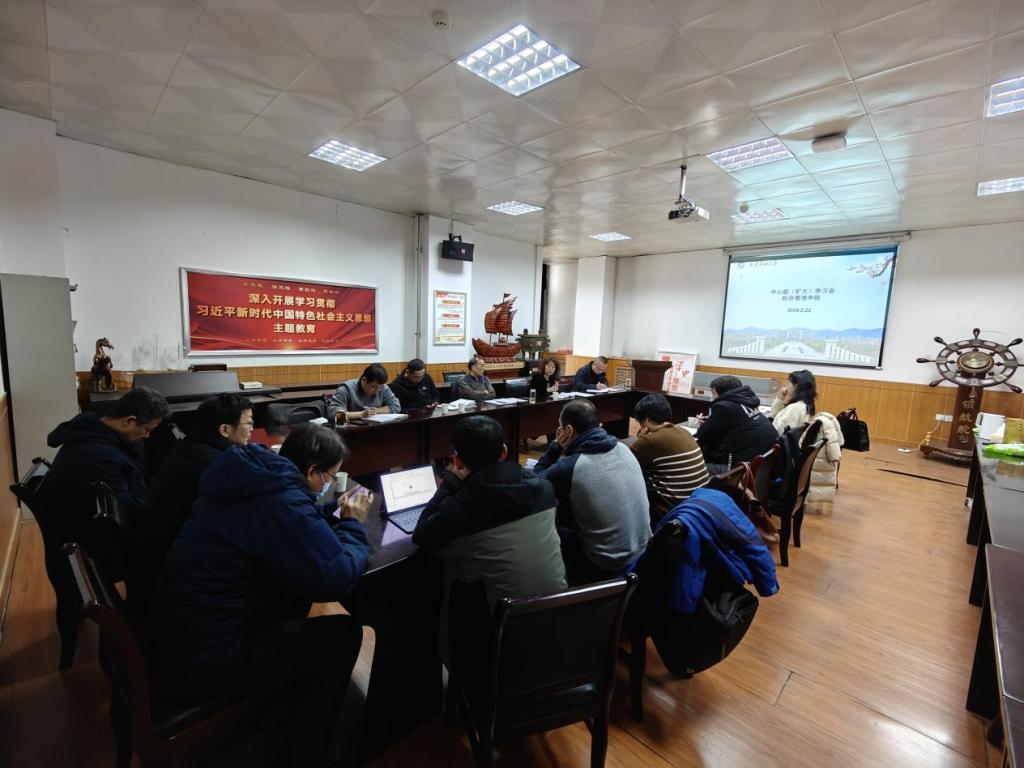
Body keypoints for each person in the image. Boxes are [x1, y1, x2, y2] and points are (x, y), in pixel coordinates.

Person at [157, 424, 372, 767]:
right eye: (330, 477)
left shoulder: (254, 477)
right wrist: (353, 524)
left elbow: (287, 521)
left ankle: (287, 706)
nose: (329, 483)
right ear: (312, 471)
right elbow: (337, 577)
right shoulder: (278, 500)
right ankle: (306, 754)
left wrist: (329, 511)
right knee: (342, 636)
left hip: (182, 632)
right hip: (210, 658)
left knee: (294, 602)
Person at [413, 415, 566, 673]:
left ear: (456, 460)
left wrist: (449, 482)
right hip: (556, 619)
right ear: (504, 452)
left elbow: (422, 535)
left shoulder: (461, 510)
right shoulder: (544, 489)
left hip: (495, 640)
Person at [133, 393, 253, 612]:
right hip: (178, 574)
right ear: (224, 430)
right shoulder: (217, 465)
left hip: (156, 557)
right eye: (249, 423)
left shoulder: (191, 446)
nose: (252, 429)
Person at [43, 387, 172, 574]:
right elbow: (125, 512)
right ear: (129, 421)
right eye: (146, 429)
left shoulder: (93, 431)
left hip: (89, 527)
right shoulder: (99, 456)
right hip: (96, 544)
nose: (147, 435)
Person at [534, 400, 651, 585]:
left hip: (605, 563)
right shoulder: (624, 448)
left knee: (548, 530)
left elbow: (537, 481)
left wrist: (555, 446)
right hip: (643, 552)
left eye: (560, 427)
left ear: (568, 431)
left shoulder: (571, 466)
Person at [630, 393, 710, 524]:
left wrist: (642, 438)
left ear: (647, 420)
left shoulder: (649, 441)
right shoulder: (683, 431)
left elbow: (627, 464)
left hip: (673, 511)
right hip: (700, 502)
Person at [694, 375, 778, 476]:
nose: (713, 397)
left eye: (713, 393)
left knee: (687, 469)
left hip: (741, 469)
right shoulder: (746, 401)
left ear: (722, 393)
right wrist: (712, 422)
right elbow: (739, 424)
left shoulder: (724, 406)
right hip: (763, 467)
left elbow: (703, 436)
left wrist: (707, 425)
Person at [327, 363, 401, 421]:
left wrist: (378, 410)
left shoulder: (382, 387)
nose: (376, 390)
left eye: (379, 387)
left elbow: (396, 406)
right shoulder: (346, 389)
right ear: (364, 380)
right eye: (373, 386)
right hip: (350, 430)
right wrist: (361, 414)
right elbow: (332, 414)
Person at [770, 369, 817, 433]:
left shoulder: (794, 408)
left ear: (796, 386)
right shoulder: (806, 404)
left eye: (788, 383)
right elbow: (774, 417)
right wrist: (781, 397)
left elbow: (777, 430)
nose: (786, 387)